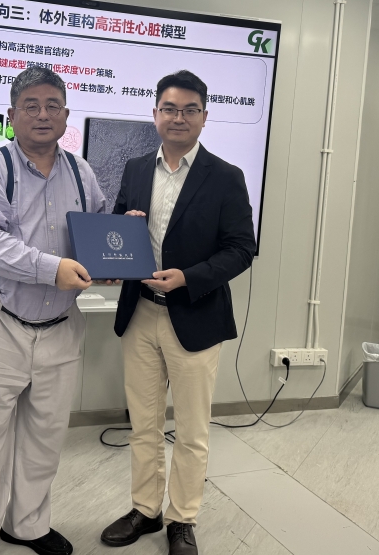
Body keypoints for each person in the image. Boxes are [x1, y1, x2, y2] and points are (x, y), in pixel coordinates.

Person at [100, 70, 256, 555]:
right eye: (169, 109)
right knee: (144, 424)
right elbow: (118, 228)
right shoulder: (135, 169)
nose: (178, 118)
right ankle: (145, 510)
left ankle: (182, 518)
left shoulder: (226, 176)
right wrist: (123, 228)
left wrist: (188, 277)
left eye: (190, 110)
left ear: (204, 117)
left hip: (195, 314)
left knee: (191, 430)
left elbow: (241, 249)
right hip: (140, 312)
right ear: (155, 115)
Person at [0, 66, 108, 555]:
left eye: (52, 106)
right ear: (11, 115)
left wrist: (114, 249)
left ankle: (26, 526)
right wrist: (53, 268)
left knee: (45, 438)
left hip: (61, 327)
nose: (43, 115)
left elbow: (94, 231)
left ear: (66, 115)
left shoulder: (82, 172)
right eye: (31, 106)